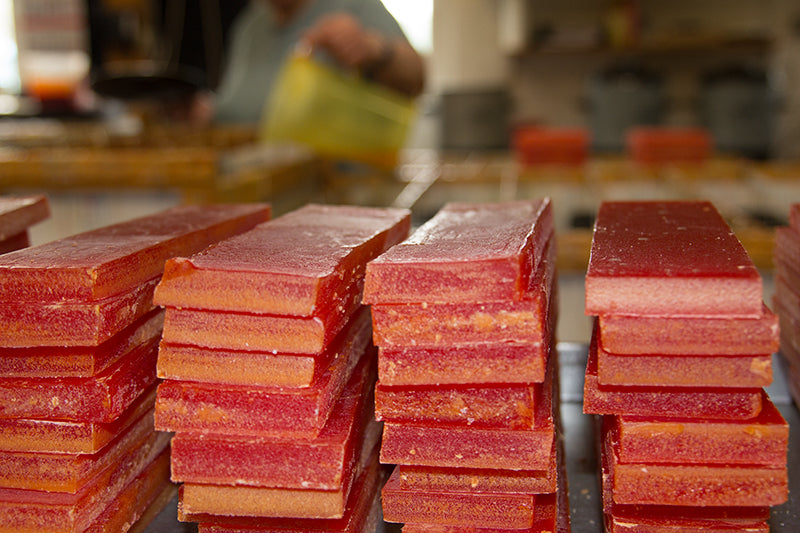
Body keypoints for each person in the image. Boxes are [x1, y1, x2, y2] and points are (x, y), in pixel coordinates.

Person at [195, 0, 425, 124]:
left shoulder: (354, 6)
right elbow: (237, 103)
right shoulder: (249, 27)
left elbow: (417, 77)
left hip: (338, 190)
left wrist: (372, 48)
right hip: (263, 186)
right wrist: (206, 112)